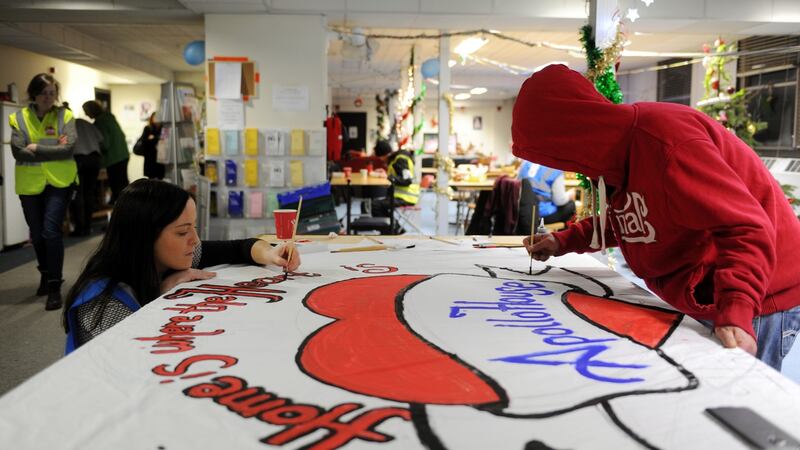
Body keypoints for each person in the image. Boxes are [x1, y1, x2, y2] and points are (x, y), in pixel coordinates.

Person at [515, 64, 800, 370]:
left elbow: (744, 226)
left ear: (574, 130)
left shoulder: (666, 141)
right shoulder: (616, 156)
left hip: (759, 295)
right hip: (710, 291)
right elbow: (633, 219)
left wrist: (737, 306)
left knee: (739, 400)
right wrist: (562, 241)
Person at [62, 179, 301, 354]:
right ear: (144, 237)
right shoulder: (101, 303)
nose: (194, 240)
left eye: (193, 228)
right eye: (183, 232)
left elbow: (239, 247)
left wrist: (270, 253)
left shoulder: (164, 256)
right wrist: (159, 299)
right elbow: (135, 361)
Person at [9, 73, 77, 311]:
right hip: (30, 183)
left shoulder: (65, 115)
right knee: (37, 235)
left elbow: (68, 149)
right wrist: (54, 146)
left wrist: (37, 147)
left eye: (52, 93)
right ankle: (46, 273)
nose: (48, 98)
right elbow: (17, 152)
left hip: (60, 181)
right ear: (34, 94)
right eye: (43, 93)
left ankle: (54, 286)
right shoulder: (18, 117)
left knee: (51, 231)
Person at [66, 103, 104, 236]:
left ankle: (79, 228)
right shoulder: (85, 123)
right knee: (89, 193)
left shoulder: (65, 126)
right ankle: (88, 226)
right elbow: (101, 139)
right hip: (94, 160)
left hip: (79, 160)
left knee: (77, 194)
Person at [82, 100, 129, 204]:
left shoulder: (100, 122)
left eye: (86, 111)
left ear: (91, 110)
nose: (85, 114)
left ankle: (121, 209)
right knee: (123, 182)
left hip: (113, 158)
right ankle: (126, 205)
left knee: (116, 185)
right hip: (123, 154)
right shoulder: (109, 117)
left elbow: (105, 144)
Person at [371, 139, 419, 234]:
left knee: (376, 205)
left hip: (407, 197)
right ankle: (394, 229)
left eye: (380, 157)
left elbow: (407, 180)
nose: (381, 160)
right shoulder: (396, 159)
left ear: (384, 154)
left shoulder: (401, 159)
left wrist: (388, 177)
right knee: (377, 204)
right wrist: (386, 173)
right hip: (400, 196)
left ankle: (391, 231)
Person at [517, 159, 576, 224]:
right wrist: (569, 195)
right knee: (571, 205)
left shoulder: (525, 164)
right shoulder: (555, 168)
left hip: (521, 212)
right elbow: (559, 201)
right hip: (541, 215)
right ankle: (561, 232)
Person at [138, 112, 165, 179]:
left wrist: (153, 138)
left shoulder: (163, 128)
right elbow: (144, 141)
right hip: (150, 158)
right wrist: (156, 139)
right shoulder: (147, 128)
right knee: (151, 179)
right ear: (152, 118)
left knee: (161, 178)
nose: (157, 119)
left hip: (160, 158)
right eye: (155, 117)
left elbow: (164, 140)